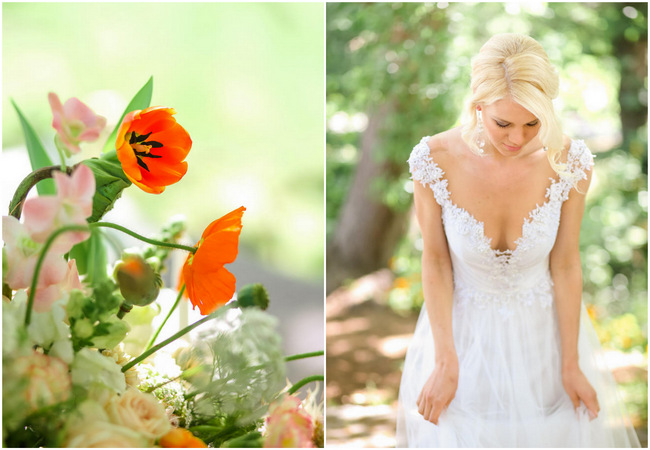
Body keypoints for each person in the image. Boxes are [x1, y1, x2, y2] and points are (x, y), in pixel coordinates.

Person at [396, 33, 640, 448]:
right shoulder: (433, 160)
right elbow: (436, 262)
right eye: (503, 123)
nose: (517, 138)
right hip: (460, 340)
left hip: (543, 342)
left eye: (533, 123)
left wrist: (571, 364)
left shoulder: (570, 163)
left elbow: (564, 264)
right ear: (478, 107)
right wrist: (445, 361)